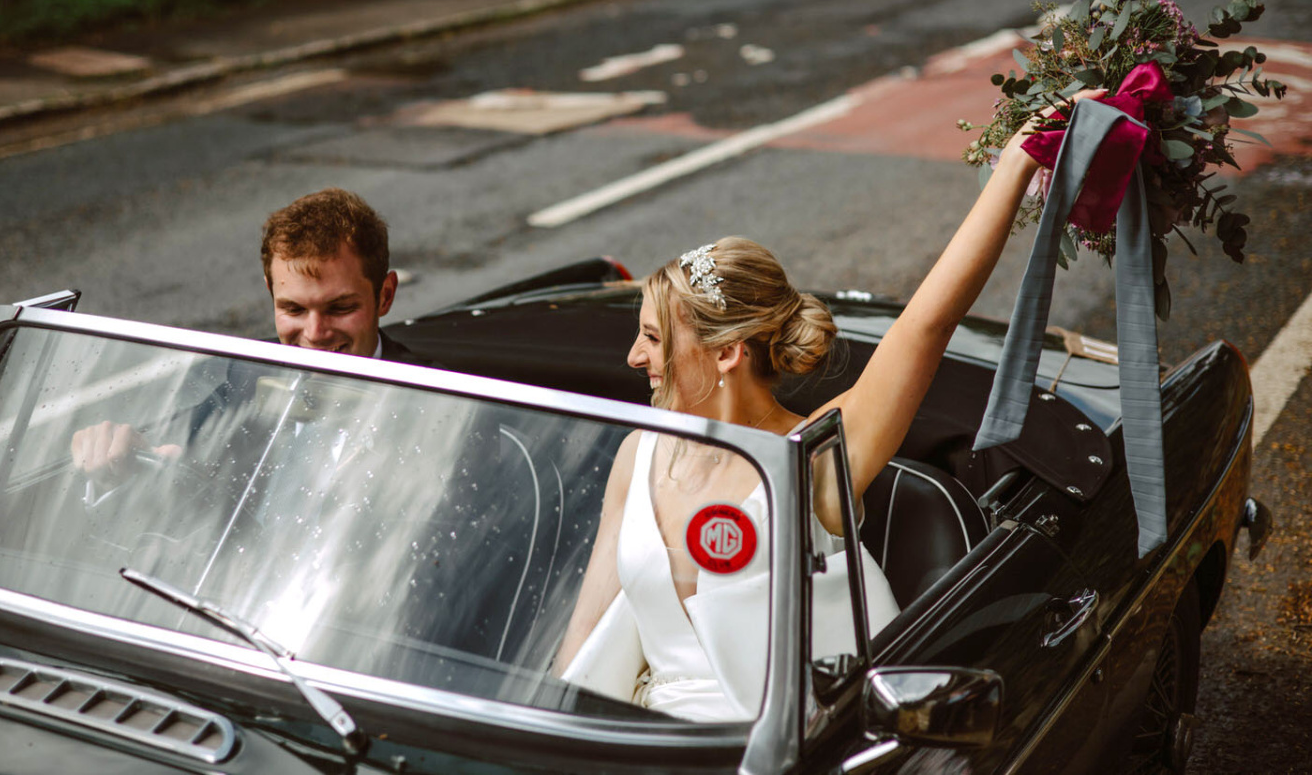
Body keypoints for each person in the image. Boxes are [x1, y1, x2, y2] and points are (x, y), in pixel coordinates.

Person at [553, 123, 1050, 722]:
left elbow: (926, 324)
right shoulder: (639, 455)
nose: (635, 358)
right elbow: (582, 645)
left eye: (653, 338)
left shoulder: (810, 460)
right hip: (640, 746)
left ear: (726, 354)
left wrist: (1019, 162)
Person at [71, 187, 430, 477]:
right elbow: (182, 461)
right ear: (270, 292)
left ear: (385, 295)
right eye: (293, 309)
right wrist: (123, 459)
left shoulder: (437, 403)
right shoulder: (248, 377)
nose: (315, 333)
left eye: (340, 308)